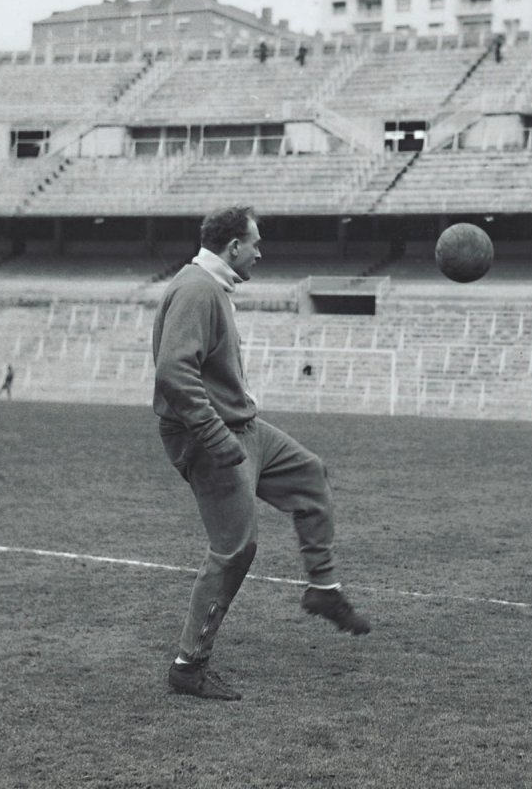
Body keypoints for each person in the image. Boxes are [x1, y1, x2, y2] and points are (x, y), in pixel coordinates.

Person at [153, 205, 370, 702]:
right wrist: (215, 437)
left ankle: (323, 589)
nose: (259, 252)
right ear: (233, 247)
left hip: (245, 427)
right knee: (235, 548)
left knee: (309, 476)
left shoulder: (213, 287)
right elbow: (173, 372)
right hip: (210, 436)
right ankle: (189, 666)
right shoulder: (196, 289)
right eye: (255, 243)